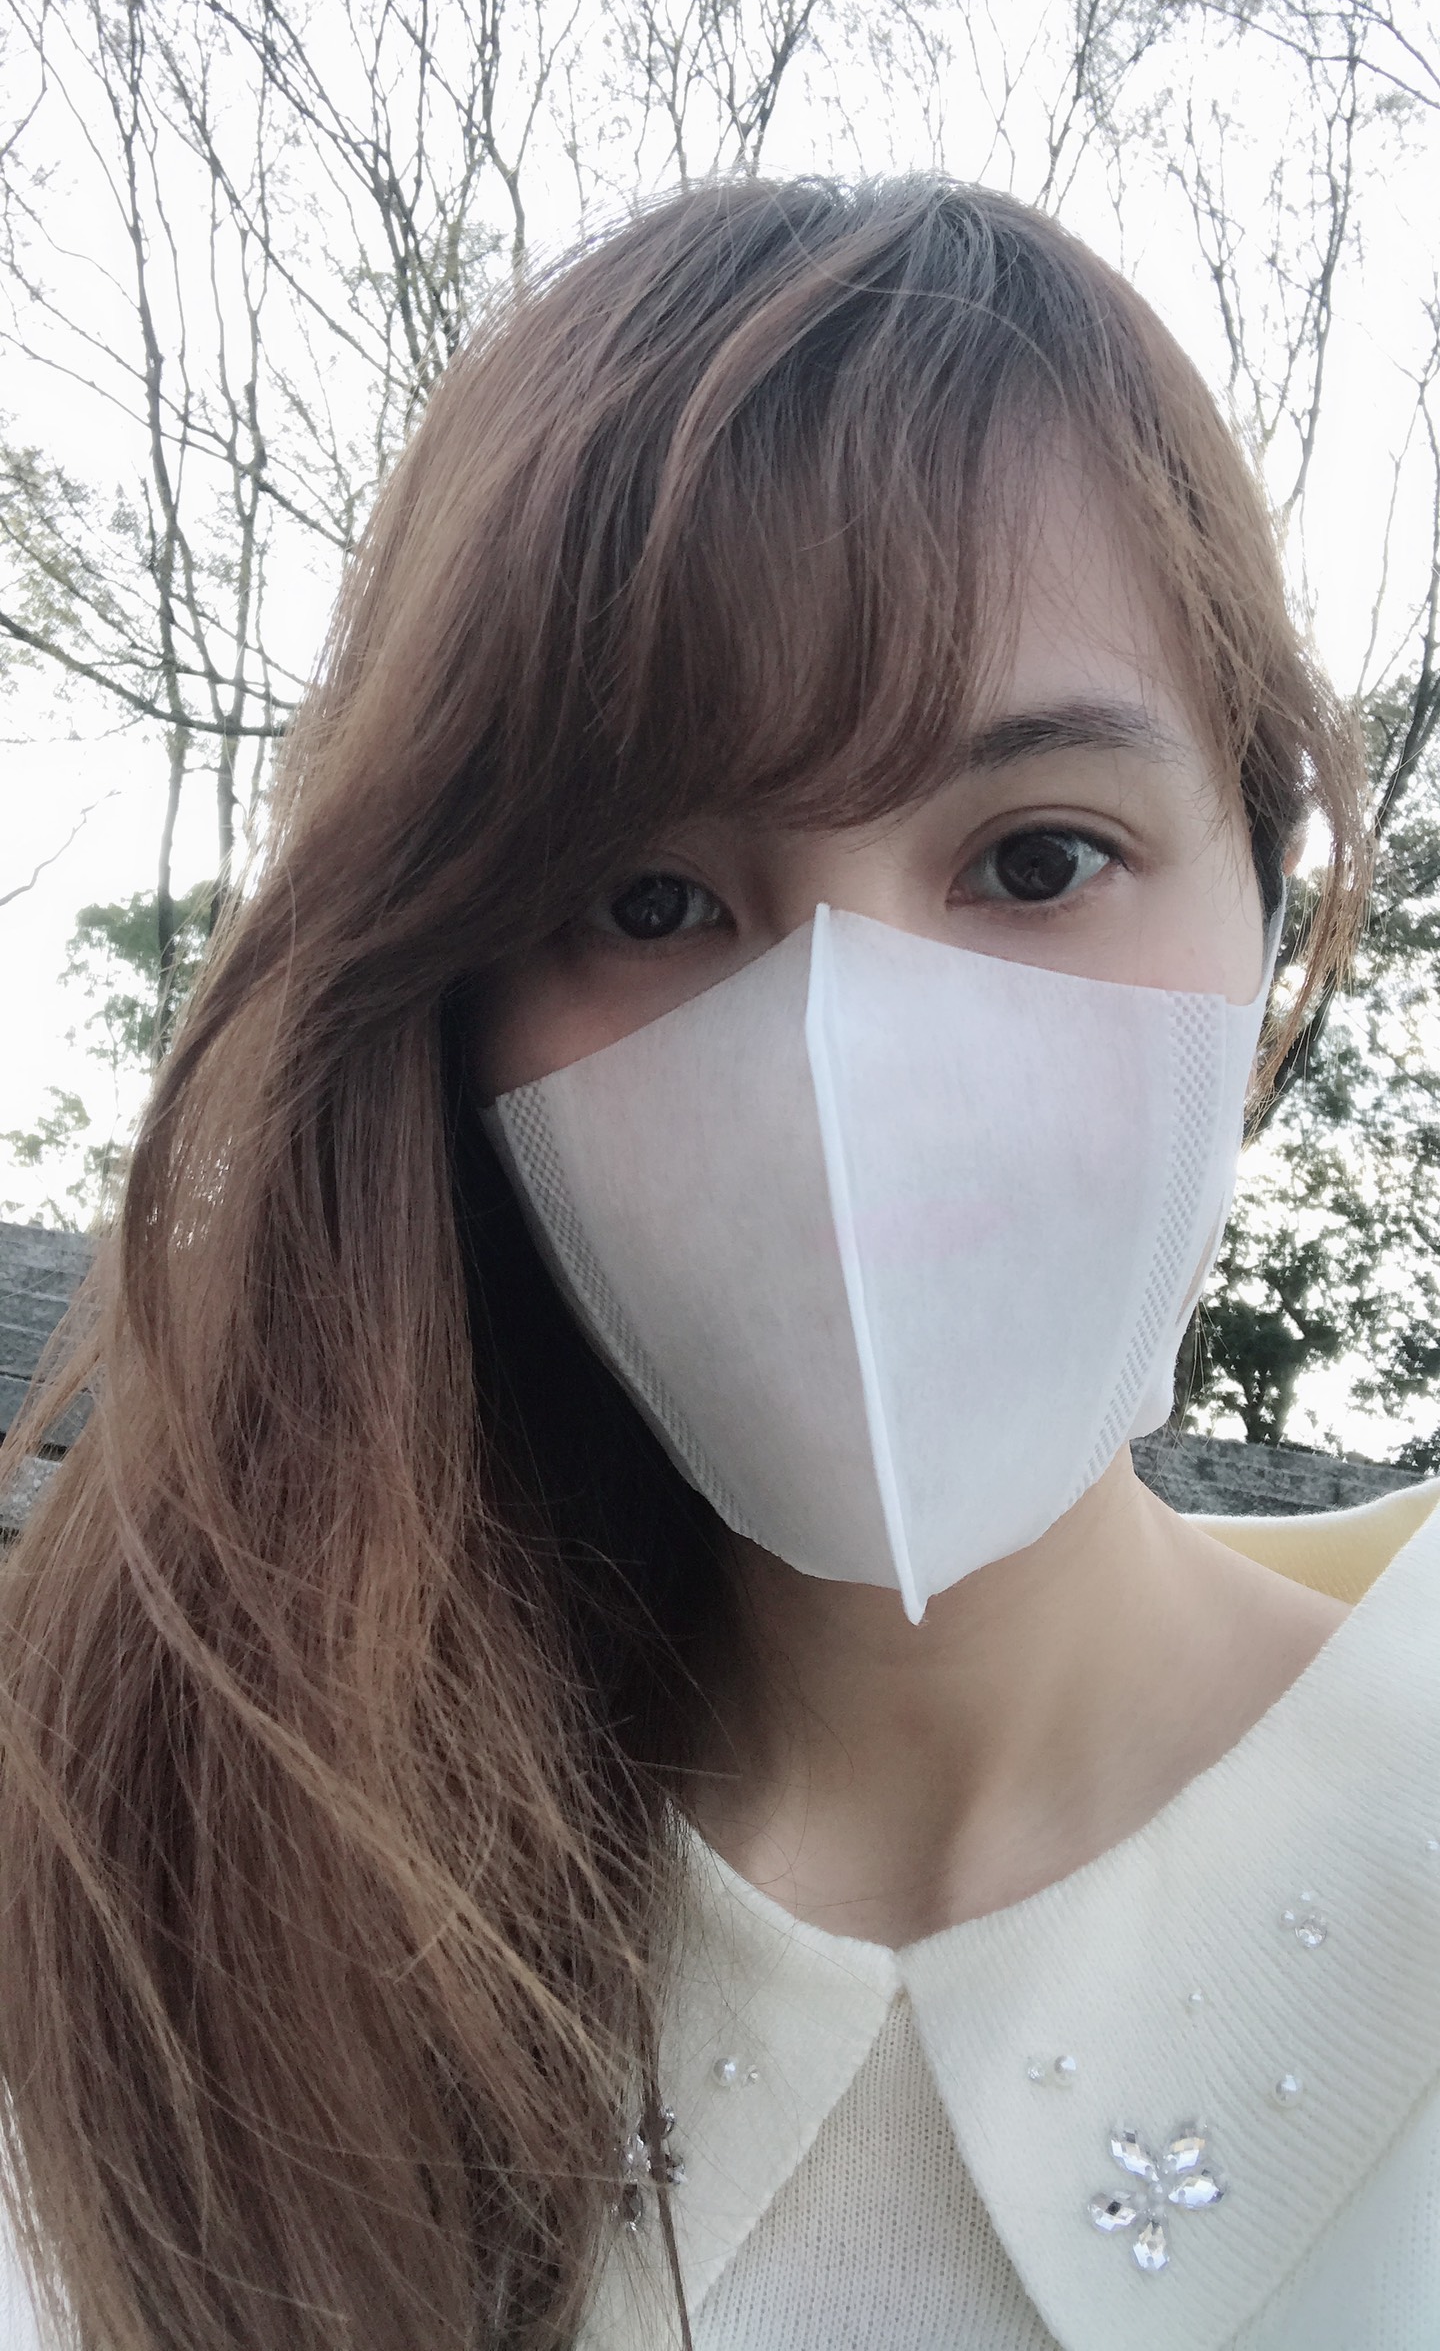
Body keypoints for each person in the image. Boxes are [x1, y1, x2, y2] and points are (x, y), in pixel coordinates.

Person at [0, 177, 1435, 2351]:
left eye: (1039, 856)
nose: (855, 1065)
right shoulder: (188, 1911)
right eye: (652, 902)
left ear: (1261, 907)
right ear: (455, 1012)